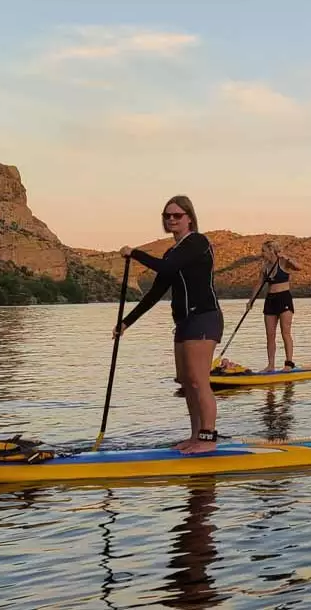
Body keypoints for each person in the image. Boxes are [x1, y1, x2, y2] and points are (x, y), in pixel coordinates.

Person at [113, 195, 225, 454]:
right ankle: (195, 435)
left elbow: (168, 266)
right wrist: (126, 322)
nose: (171, 219)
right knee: (186, 382)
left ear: (189, 218)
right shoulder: (171, 251)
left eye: (177, 215)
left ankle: (208, 439)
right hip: (184, 322)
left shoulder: (197, 241)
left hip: (204, 316)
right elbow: (155, 292)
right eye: (167, 216)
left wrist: (136, 253)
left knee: (199, 381)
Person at [256, 240, 303, 372]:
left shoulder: (283, 262)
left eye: (263, 250)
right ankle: (270, 365)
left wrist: (287, 257)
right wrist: (250, 301)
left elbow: (299, 267)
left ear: (271, 250)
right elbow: (259, 284)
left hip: (284, 298)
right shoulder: (264, 267)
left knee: (285, 332)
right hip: (270, 300)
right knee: (270, 335)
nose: (262, 253)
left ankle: (288, 364)